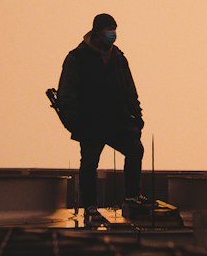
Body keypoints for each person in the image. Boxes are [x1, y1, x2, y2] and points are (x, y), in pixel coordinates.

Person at [55, 13, 147, 226]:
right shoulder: (77, 58)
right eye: (109, 29)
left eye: (114, 28)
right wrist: (75, 122)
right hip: (91, 123)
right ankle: (90, 206)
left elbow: (130, 89)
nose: (113, 33)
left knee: (135, 150)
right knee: (89, 163)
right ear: (97, 32)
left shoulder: (119, 57)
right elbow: (67, 93)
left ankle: (132, 196)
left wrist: (137, 116)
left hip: (118, 121)